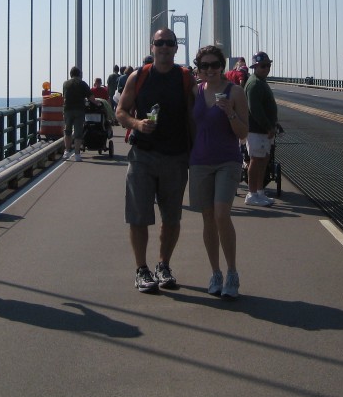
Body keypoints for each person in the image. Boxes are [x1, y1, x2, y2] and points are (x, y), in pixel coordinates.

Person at [115, 29, 193, 293]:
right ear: (152, 46)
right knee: (138, 216)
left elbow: (196, 112)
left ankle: (164, 265)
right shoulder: (138, 76)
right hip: (143, 156)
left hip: (176, 156)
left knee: (172, 217)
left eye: (169, 43)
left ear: (175, 48)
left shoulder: (184, 77)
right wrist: (136, 123)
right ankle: (141, 270)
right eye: (159, 43)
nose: (164, 47)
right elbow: (121, 111)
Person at [190, 45, 248, 299]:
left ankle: (232, 272)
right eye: (205, 66)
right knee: (207, 218)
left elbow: (243, 133)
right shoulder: (195, 90)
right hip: (200, 161)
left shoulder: (234, 92)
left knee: (221, 214)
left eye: (215, 65)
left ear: (222, 67)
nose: (210, 70)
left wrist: (230, 113)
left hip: (227, 160)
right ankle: (215, 272)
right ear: (198, 68)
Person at [244, 51, 277, 206]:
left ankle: (259, 192)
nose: (266, 68)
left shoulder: (261, 81)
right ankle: (251, 194)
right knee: (256, 161)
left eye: (268, 65)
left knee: (263, 160)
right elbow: (255, 109)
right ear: (255, 67)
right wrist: (268, 126)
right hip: (257, 130)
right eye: (263, 66)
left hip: (263, 131)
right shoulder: (255, 84)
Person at [61, 66, 95, 161]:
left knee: (67, 131)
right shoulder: (82, 83)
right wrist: (97, 103)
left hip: (67, 109)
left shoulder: (65, 83)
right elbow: (90, 96)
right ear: (79, 74)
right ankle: (77, 154)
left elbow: (65, 96)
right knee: (78, 133)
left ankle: (66, 152)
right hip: (79, 110)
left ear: (70, 74)